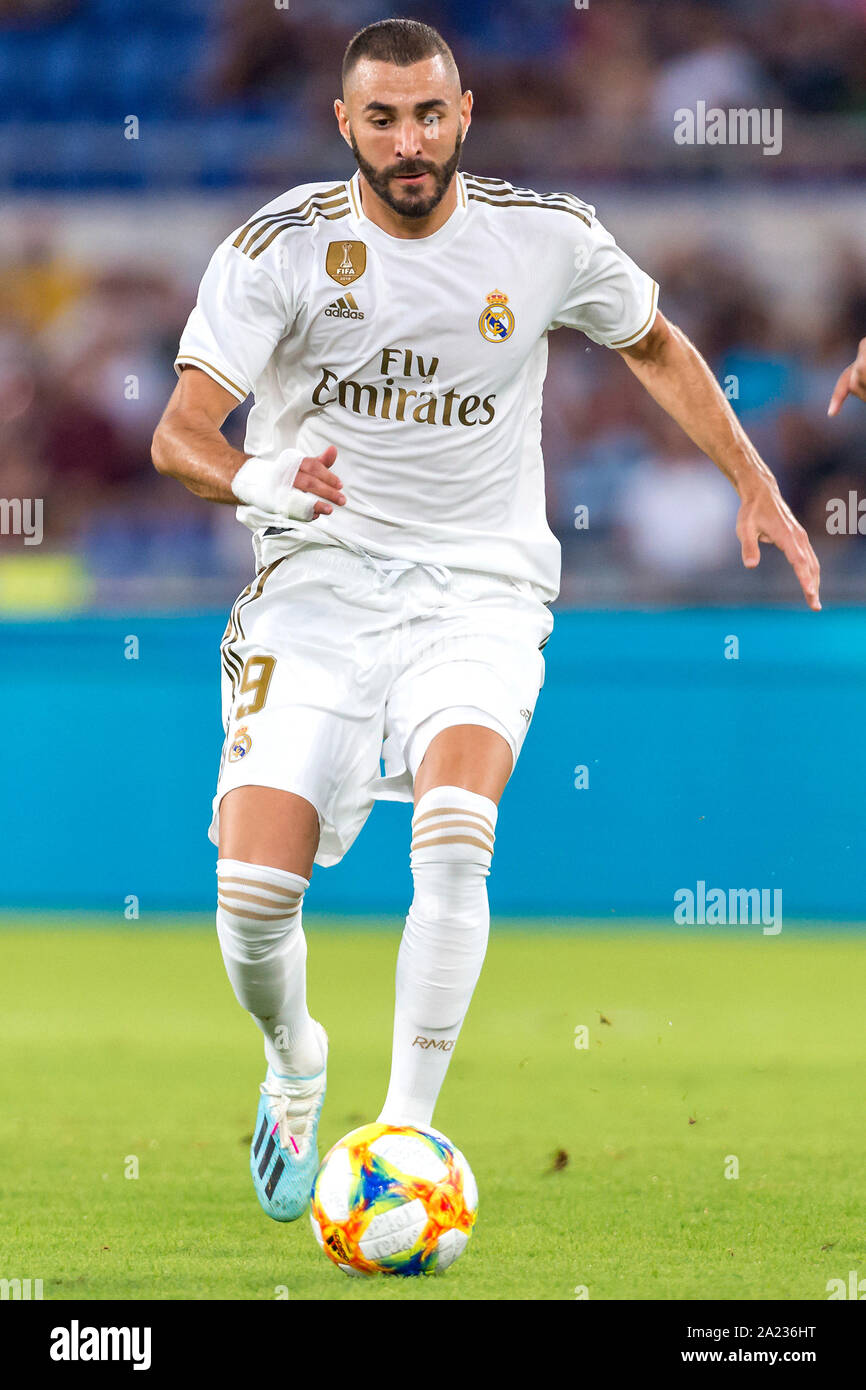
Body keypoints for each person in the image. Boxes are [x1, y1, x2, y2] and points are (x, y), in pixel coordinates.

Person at [151, 17, 821, 1224]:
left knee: (456, 824)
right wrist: (263, 479)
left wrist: (750, 474)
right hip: (315, 593)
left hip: (479, 589)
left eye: (427, 114)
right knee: (252, 905)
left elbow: (654, 342)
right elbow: (179, 434)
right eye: (381, 118)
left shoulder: (544, 238)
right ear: (342, 125)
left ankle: (405, 1131)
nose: (408, 142)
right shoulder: (279, 252)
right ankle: (296, 1057)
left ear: (463, 113)